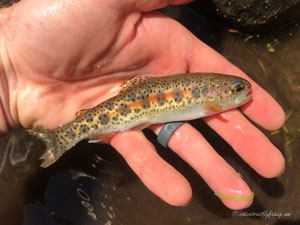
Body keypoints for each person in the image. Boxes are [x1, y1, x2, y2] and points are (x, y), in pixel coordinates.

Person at [0, 0, 285, 210]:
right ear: (217, 93)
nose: (241, 91)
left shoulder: (213, 98)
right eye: (236, 89)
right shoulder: (212, 103)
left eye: (237, 89)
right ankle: (62, 137)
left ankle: (64, 136)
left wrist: (10, 64)